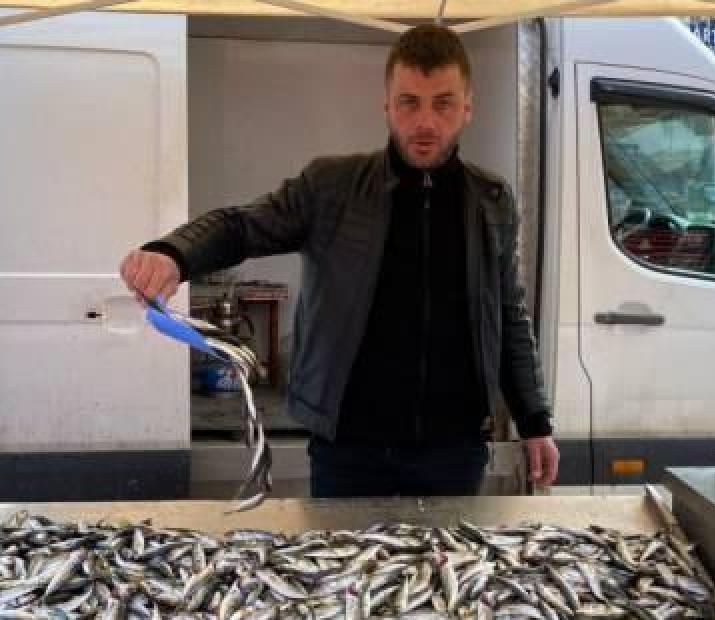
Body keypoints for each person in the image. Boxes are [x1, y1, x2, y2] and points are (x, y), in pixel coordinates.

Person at [119, 24, 559, 497]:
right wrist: (173, 253)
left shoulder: (492, 199)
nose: (426, 122)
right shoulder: (332, 186)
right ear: (387, 105)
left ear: (467, 108)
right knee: (342, 571)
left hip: (455, 449)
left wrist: (535, 420)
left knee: (441, 570)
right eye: (409, 102)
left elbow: (509, 315)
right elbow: (241, 225)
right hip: (351, 447)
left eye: (443, 103)